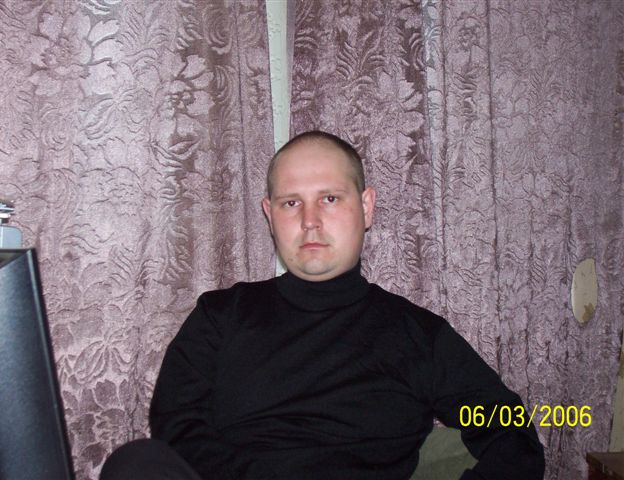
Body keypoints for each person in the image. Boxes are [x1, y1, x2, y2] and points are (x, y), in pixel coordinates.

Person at [101, 131, 545, 480]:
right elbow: (177, 423)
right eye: (291, 202)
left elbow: (509, 428)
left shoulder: (420, 334)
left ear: (366, 207)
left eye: (329, 199)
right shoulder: (220, 316)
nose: (309, 221)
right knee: (135, 463)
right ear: (269, 214)